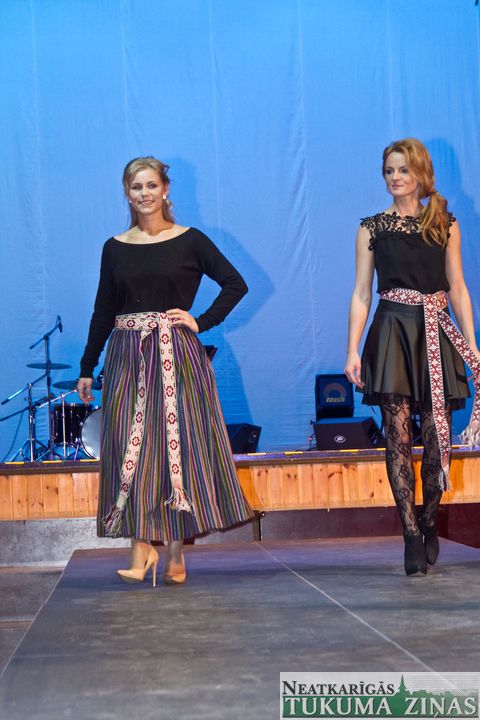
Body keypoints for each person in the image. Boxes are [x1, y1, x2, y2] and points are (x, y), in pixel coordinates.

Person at [77, 156, 254, 586]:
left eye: (151, 185)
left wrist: (201, 321)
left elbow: (236, 284)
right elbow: (103, 310)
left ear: (165, 189)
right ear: (127, 193)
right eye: (136, 187)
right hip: (127, 355)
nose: (145, 194)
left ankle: (175, 550)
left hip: (176, 353)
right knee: (129, 446)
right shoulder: (115, 247)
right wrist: (87, 366)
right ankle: (140, 547)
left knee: (179, 448)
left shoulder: (190, 240)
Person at [345, 138, 480, 576]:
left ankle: (429, 519)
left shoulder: (444, 223)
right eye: (389, 170)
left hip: (436, 331)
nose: (395, 178)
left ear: (421, 173)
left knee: (437, 438)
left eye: (403, 169)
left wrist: (471, 345)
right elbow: (362, 293)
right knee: (397, 437)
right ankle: (409, 533)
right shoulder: (372, 228)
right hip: (392, 332)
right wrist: (351, 348)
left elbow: (458, 288)